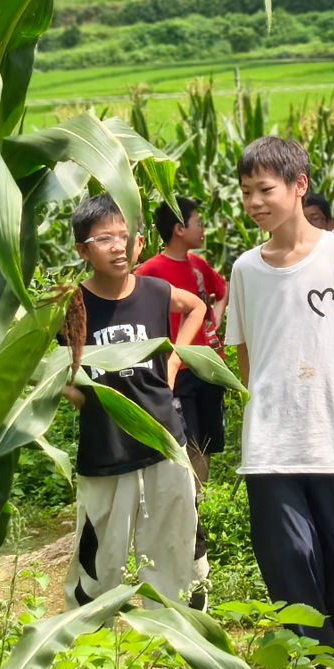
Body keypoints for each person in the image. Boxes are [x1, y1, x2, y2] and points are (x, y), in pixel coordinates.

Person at [225, 136, 334, 669]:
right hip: (270, 439)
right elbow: (246, 353)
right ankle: (310, 660)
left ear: (299, 186)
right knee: (289, 556)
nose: (254, 201)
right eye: (246, 191)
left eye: (264, 189)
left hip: (333, 431)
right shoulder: (245, 269)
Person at [62, 194, 207, 607]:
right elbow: (46, 360)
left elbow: (195, 306)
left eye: (123, 236)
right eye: (104, 238)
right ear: (82, 250)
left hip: (164, 443)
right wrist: (77, 394)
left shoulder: (156, 292)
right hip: (106, 449)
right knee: (98, 555)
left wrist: (175, 362)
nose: (116, 246)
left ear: (139, 244)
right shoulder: (75, 304)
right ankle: (87, 635)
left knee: (177, 540)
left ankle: (184, 634)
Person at [137, 198, 227, 609]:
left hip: (207, 369)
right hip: (178, 374)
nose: (203, 226)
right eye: (198, 220)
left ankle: (198, 502)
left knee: (206, 443)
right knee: (186, 443)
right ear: (178, 228)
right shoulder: (151, 272)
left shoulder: (197, 267)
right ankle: (188, 504)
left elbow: (218, 293)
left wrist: (214, 322)